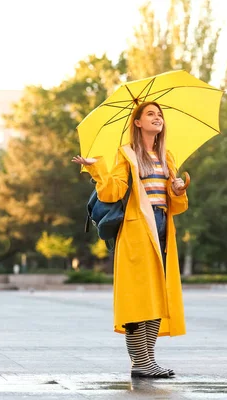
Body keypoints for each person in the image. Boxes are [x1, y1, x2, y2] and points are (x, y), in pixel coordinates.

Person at [72, 101, 188, 379]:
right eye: (150, 114)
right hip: (136, 233)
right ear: (137, 123)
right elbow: (111, 193)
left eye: (159, 115)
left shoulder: (166, 157)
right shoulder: (127, 155)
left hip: (161, 230)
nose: (157, 118)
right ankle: (140, 362)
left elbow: (177, 205)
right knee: (137, 298)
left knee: (157, 296)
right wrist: (96, 169)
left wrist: (177, 189)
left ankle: (149, 360)